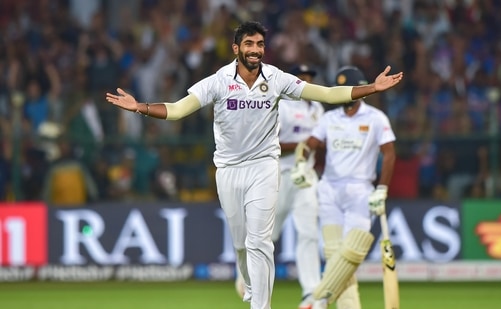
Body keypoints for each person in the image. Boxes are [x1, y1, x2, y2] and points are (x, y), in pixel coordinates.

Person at [106, 21, 403, 309]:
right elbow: (178, 109)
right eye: (249, 43)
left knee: (260, 242)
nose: (255, 49)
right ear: (236, 48)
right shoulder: (219, 81)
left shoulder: (276, 79)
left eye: (260, 44)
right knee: (241, 243)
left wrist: (372, 89)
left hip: (264, 166)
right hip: (229, 171)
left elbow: (325, 93)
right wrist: (140, 107)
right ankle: (247, 280)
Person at [292, 66, 396, 309]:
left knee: (352, 252)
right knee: (333, 253)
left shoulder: (376, 118)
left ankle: (317, 298)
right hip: (329, 189)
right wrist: (300, 164)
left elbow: (389, 154)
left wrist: (382, 189)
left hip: (361, 190)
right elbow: (309, 144)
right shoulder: (329, 118)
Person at [235, 64, 325, 309]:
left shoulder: (317, 107)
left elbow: (319, 142)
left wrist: (309, 151)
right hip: (277, 175)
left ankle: (311, 294)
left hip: (304, 178)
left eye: (309, 78)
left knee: (308, 234)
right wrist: (300, 145)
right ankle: (247, 276)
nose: (306, 82)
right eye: (302, 78)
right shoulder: (280, 105)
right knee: (266, 235)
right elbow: (268, 140)